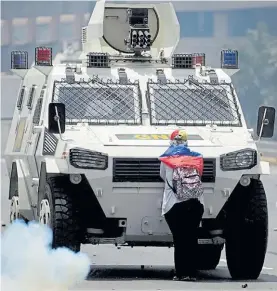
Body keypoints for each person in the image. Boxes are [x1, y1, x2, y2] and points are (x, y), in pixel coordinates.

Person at [159, 129, 204, 281]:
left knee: (180, 239)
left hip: (174, 205)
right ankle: (192, 273)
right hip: (196, 203)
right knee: (192, 238)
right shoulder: (196, 157)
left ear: (171, 141)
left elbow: (162, 176)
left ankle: (181, 273)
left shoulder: (166, 158)